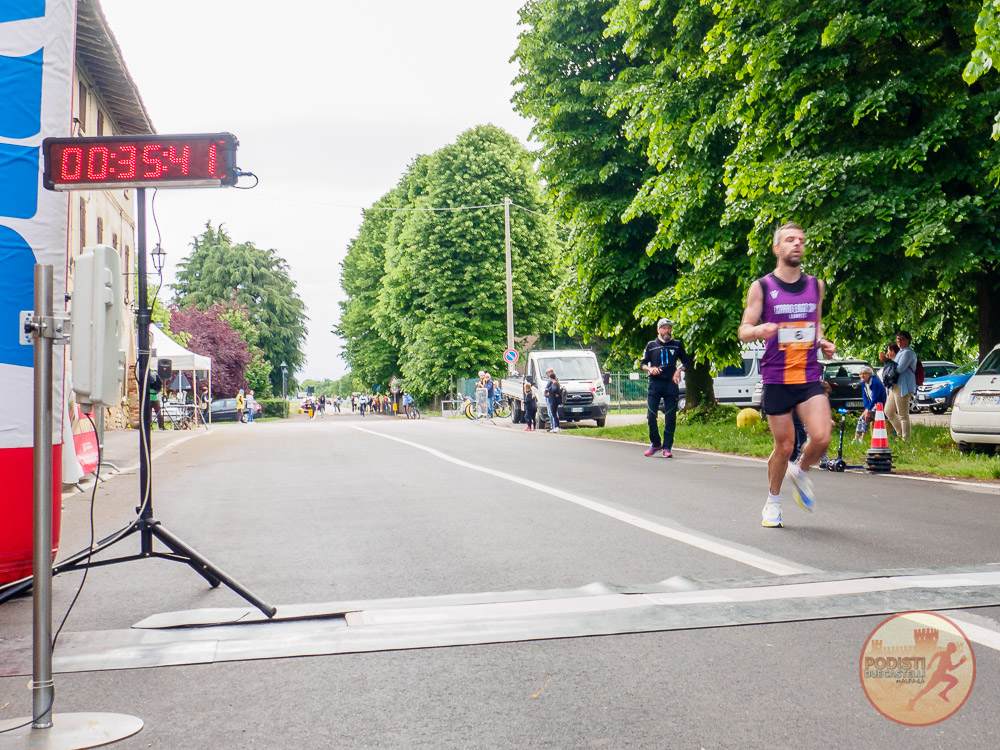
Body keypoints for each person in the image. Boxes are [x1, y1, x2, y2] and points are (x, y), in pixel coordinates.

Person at [739, 222, 836, 528]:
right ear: (776, 248)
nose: (797, 244)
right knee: (784, 446)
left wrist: (822, 341)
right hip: (777, 377)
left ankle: (801, 471)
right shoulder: (762, 287)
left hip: (807, 375)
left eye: (801, 240)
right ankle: (773, 501)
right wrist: (760, 330)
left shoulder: (816, 285)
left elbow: (815, 323)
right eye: (790, 240)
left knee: (822, 437)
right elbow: (744, 330)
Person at [640, 317, 691, 458]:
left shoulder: (677, 345)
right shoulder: (651, 345)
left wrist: (678, 370)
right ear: (658, 330)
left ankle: (667, 447)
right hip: (655, 384)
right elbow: (642, 364)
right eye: (664, 328)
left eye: (669, 328)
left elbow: (686, 362)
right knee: (651, 416)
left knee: (670, 417)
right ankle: (656, 443)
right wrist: (650, 369)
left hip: (671, 384)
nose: (667, 331)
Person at [882, 330, 917, 442]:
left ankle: (906, 440)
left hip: (903, 386)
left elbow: (899, 369)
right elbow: (894, 367)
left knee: (903, 415)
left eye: (902, 339)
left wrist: (887, 361)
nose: (899, 342)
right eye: (898, 340)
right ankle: (901, 434)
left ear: (908, 340)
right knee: (888, 411)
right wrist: (889, 361)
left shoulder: (908, 353)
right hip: (895, 386)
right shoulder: (901, 352)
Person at [856, 365, 887, 439]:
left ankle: (862, 438)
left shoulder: (875, 382)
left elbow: (875, 398)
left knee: (864, 417)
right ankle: (856, 437)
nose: (862, 376)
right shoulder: (864, 383)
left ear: (870, 374)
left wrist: (868, 410)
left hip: (880, 406)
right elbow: (865, 397)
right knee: (863, 416)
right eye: (861, 374)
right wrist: (867, 408)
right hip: (872, 406)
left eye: (864, 374)